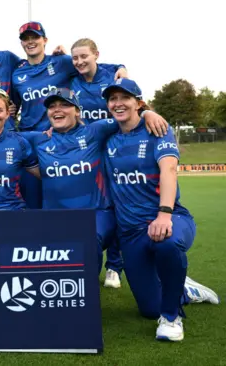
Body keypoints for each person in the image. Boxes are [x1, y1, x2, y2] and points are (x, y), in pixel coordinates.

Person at [102, 78, 220, 342]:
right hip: (131, 233)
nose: (118, 103)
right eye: (113, 99)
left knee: (166, 243)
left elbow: (168, 169)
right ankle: (184, 289)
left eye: (125, 98)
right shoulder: (107, 136)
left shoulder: (157, 129)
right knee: (148, 309)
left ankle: (171, 317)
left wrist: (164, 214)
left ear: (138, 103)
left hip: (170, 217)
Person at [22, 87, 168, 274]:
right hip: (55, 217)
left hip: (96, 214)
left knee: (88, 238)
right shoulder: (38, 139)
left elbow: (129, 117)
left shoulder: (95, 130)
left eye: (65, 105)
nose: (57, 109)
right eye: (52, 106)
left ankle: (88, 293)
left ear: (77, 111)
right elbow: (3, 135)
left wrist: (147, 113)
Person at [12, 22, 127, 209]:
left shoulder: (62, 62)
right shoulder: (17, 73)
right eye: (26, 39)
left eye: (35, 37)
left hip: (70, 140)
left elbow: (90, 63)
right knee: (33, 200)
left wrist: (120, 68)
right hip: (36, 142)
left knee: (79, 194)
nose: (31, 42)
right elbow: (13, 105)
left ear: (45, 40)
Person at [70, 38, 125, 288]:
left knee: (118, 204)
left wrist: (121, 66)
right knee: (98, 204)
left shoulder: (112, 79)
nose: (80, 62)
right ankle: (96, 259)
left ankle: (114, 265)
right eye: (75, 58)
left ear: (96, 55)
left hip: (115, 151)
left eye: (85, 56)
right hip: (88, 152)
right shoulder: (71, 81)